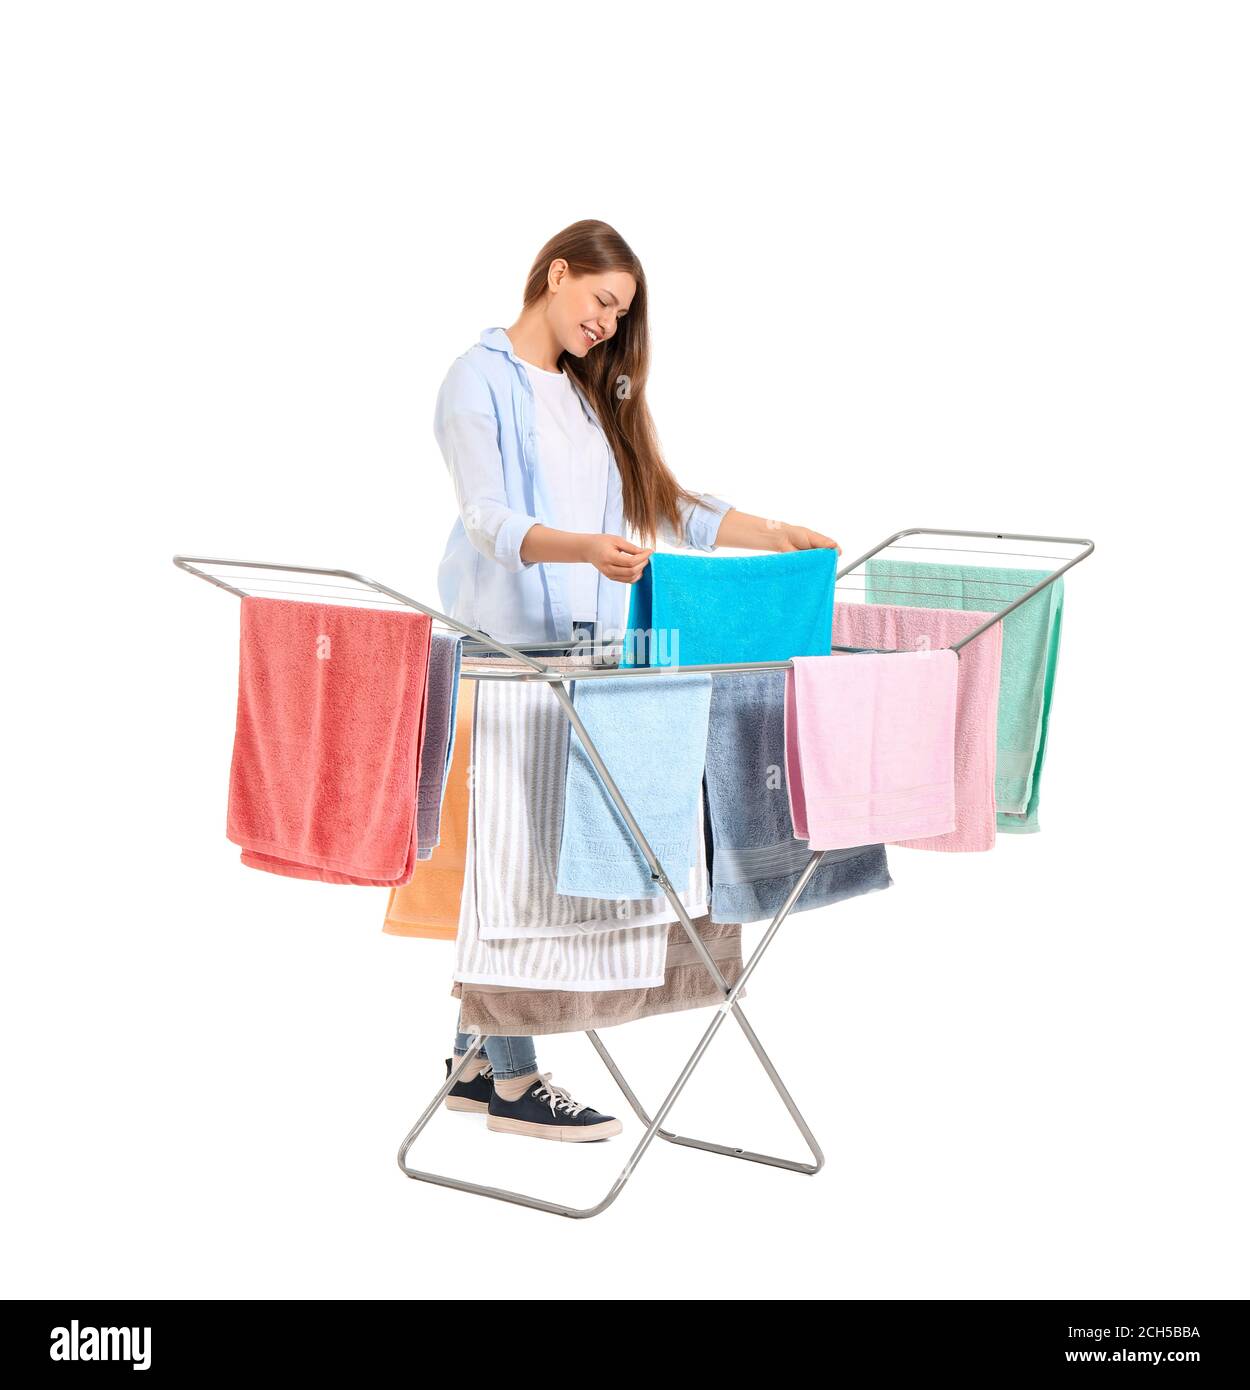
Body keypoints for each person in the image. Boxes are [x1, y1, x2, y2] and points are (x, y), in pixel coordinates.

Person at [433, 219, 839, 1141]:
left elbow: (661, 498)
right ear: (556, 273)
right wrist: (584, 548)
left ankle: (471, 1059)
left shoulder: (586, 397)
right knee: (523, 863)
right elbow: (489, 519)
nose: (609, 326)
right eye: (601, 302)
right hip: (505, 655)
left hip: (589, 655)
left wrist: (771, 532)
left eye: (621, 315)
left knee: (537, 857)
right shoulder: (477, 380)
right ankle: (512, 1077)